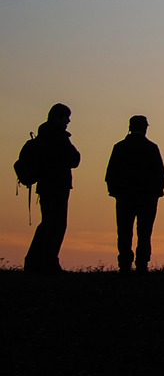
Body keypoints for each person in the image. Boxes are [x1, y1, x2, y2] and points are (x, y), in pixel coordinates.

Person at [104, 115, 164, 275]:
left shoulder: (120, 147)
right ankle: (142, 263)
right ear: (145, 128)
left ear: (130, 127)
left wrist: (114, 191)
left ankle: (124, 263)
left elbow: (110, 173)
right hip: (147, 197)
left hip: (125, 196)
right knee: (145, 232)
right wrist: (157, 192)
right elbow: (161, 173)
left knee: (124, 230)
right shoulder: (152, 148)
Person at [22, 103, 81, 274]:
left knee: (47, 223)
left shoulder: (43, 136)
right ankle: (48, 263)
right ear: (57, 117)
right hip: (58, 185)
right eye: (66, 117)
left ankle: (35, 262)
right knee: (56, 225)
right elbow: (74, 159)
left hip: (45, 186)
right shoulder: (58, 137)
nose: (68, 121)